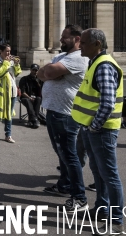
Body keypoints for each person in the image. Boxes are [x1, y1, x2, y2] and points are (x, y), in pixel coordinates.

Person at [72, 28, 125, 234]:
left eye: (84, 42)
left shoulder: (103, 65)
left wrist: (94, 126)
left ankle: (117, 220)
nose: (80, 45)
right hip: (92, 127)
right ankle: (102, 208)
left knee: (109, 174)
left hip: (101, 129)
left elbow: (107, 102)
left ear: (97, 45)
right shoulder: (95, 62)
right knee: (99, 171)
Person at [37, 24, 90, 213]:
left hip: (66, 114)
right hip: (54, 110)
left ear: (77, 39)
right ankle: (64, 185)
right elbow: (41, 73)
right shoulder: (62, 57)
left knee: (69, 155)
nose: (61, 40)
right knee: (62, 153)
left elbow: (48, 73)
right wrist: (51, 73)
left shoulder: (78, 58)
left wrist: (51, 73)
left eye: (64, 37)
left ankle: (80, 197)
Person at [19, 64, 43, 128]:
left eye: (36, 70)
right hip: (26, 97)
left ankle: (31, 120)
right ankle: (35, 119)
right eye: (33, 70)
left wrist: (38, 83)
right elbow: (23, 92)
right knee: (27, 100)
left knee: (38, 99)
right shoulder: (24, 79)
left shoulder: (40, 80)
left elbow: (42, 92)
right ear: (30, 70)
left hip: (36, 98)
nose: (34, 72)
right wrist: (29, 97)